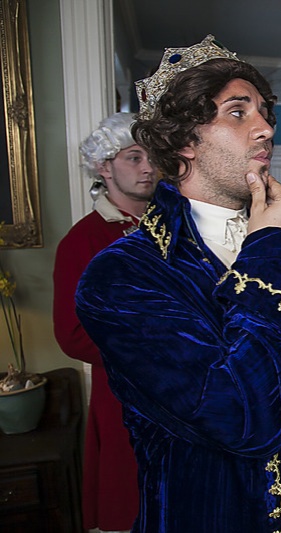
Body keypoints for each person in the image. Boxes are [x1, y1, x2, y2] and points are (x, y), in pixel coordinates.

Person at [74, 35, 281, 533]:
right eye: (237, 112)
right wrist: (272, 250)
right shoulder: (123, 275)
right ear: (183, 140)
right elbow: (242, 419)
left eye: (265, 112)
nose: (266, 128)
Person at [53, 112, 156, 532]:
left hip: (194, 392)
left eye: (152, 156)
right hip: (124, 397)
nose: (148, 167)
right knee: (134, 506)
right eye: (134, 157)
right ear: (104, 166)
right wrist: (153, 348)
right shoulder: (83, 241)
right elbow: (73, 334)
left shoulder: (178, 227)